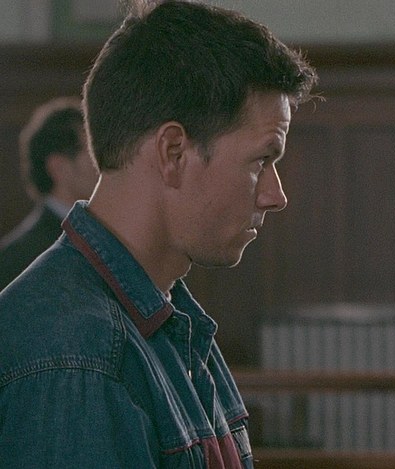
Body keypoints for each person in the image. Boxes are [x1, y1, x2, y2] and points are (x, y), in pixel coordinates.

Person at [0, 1, 317, 467]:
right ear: (173, 153)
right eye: (261, 160)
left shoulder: (172, 319)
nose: (276, 196)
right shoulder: (77, 355)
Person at [0, 97, 98, 290]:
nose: (101, 164)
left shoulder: (102, 234)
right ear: (58, 167)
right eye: (91, 152)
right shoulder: (18, 257)